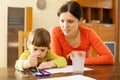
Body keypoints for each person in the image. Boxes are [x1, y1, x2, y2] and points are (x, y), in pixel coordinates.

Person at [50, 1, 114, 65]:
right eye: (62, 21)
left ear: (80, 21)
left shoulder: (88, 33)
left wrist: (80, 60)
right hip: (65, 74)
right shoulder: (55, 32)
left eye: (70, 21)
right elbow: (57, 61)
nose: (65, 25)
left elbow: (109, 58)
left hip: (85, 71)